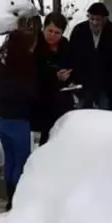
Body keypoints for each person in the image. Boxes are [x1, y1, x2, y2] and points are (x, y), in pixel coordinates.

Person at [0, 20, 39, 211]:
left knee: (9, 159)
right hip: (16, 119)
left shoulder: (0, 58)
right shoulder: (21, 63)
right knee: (21, 162)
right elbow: (30, 91)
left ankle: (9, 197)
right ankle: (17, 201)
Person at [69, 2, 112, 111]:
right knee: (84, 114)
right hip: (85, 84)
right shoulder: (79, 31)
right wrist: (73, 79)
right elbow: (71, 55)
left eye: (98, 19)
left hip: (109, 86)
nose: (94, 23)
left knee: (108, 116)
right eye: (92, 19)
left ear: (105, 19)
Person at [35, 11, 75, 145]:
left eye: (57, 32)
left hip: (62, 98)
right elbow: (33, 72)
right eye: (50, 31)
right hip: (41, 101)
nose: (52, 35)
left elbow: (73, 65)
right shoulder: (35, 45)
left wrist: (69, 76)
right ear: (44, 28)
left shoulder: (65, 46)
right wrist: (54, 76)